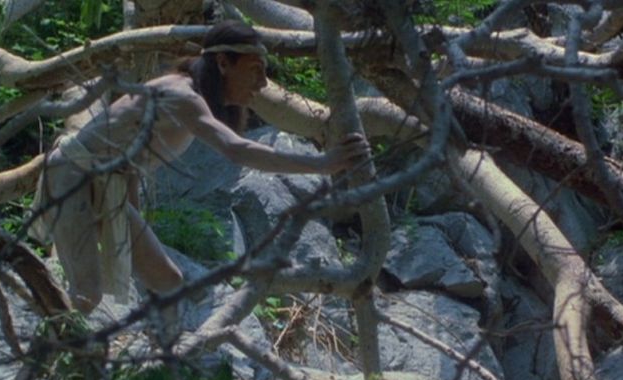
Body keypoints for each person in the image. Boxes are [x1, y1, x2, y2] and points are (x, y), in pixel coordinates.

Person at [31, 20, 370, 316]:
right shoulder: (182, 96)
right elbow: (237, 150)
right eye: (255, 70)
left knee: (169, 281)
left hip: (106, 185)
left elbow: (129, 165)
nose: (263, 83)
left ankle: (165, 360)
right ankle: (44, 354)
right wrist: (323, 163)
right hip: (73, 173)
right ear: (223, 63)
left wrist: (131, 225)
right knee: (87, 296)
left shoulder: (191, 99)